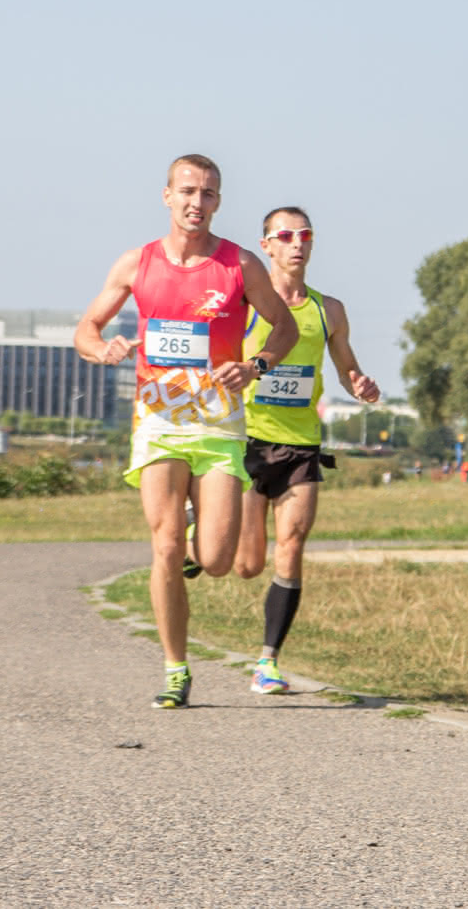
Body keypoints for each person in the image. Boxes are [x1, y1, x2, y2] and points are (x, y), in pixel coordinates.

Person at [75, 154, 297, 709]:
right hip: (159, 421)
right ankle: (176, 669)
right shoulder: (138, 263)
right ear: (168, 196)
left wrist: (257, 365)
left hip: (219, 423)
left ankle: (201, 530)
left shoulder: (239, 265)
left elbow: (285, 326)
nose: (198, 202)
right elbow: (87, 327)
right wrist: (102, 348)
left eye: (210, 194)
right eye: (189, 191)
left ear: (219, 202)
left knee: (218, 559)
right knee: (166, 545)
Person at [230, 207, 380, 694]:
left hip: (300, 445)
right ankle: (202, 527)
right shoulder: (248, 305)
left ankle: (268, 661)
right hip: (249, 438)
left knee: (291, 548)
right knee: (247, 564)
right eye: (286, 235)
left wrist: (358, 382)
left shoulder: (328, 310)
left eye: (305, 235)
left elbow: (345, 367)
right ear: (267, 244)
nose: (297, 243)